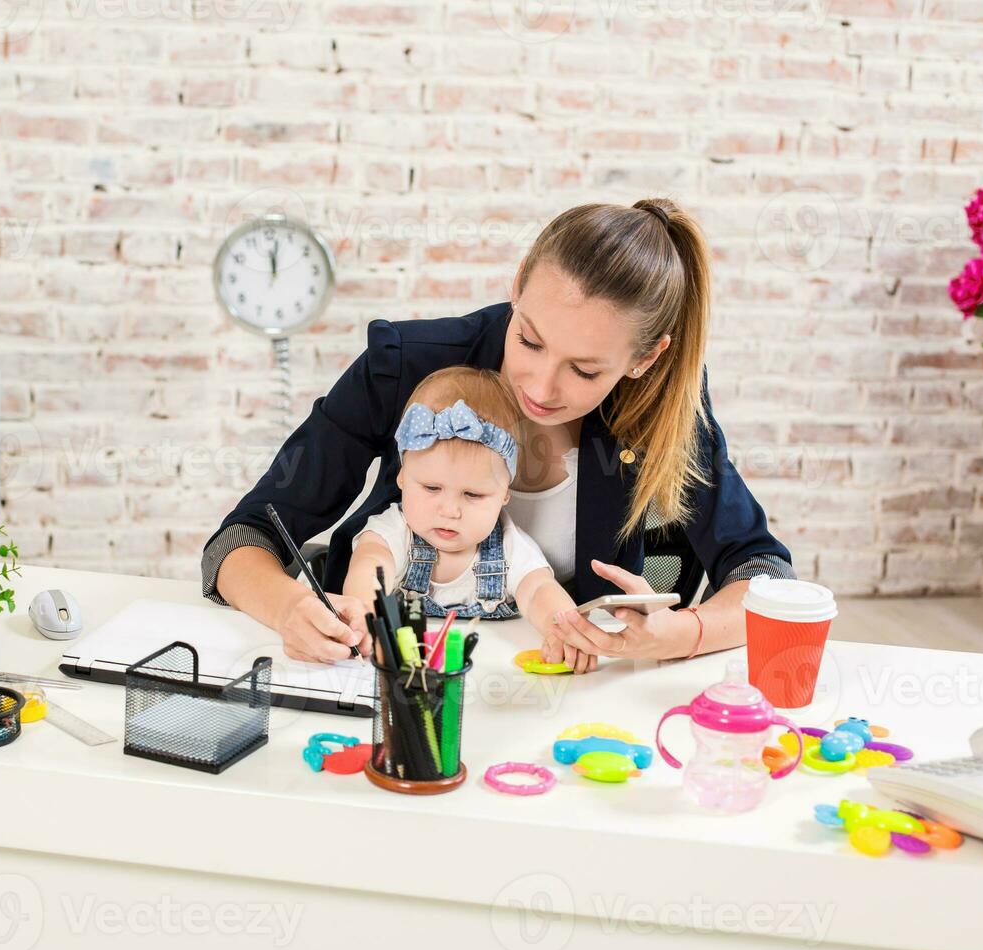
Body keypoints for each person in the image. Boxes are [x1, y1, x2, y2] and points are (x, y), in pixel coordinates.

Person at [203, 199, 794, 668]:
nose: (539, 384)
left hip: (547, 679)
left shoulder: (663, 407)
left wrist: (681, 634)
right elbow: (236, 543)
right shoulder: (406, 365)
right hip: (372, 665)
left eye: (585, 370)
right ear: (518, 285)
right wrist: (291, 610)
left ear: (644, 358)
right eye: (529, 339)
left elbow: (764, 573)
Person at [344, 366, 582, 665]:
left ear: (504, 494)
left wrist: (563, 629)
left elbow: (538, 590)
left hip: (488, 669)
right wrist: (366, 611)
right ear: (402, 477)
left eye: (473, 495)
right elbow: (371, 563)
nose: (450, 511)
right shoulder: (396, 530)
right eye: (432, 488)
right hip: (408, 669)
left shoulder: (507, 544)